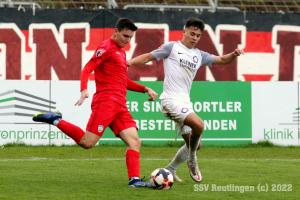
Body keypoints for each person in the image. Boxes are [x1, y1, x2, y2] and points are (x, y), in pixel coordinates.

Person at [32, 18, 158, 188]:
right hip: (106, 102)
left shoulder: (121, 52)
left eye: (130, 37)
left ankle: (134, 180)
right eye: (125, 36)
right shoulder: (106, 47)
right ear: (116, 31)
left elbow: (123, 80)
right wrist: (83, 90)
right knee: (87, 143)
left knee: (135, 141)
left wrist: (145, 89)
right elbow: (87, 69)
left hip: (120, 105)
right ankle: (55, 119)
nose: (127, 40)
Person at [127, 17, 244, 183]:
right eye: (192, 33)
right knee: (199, 125)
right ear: (184, 32)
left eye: (197, 35)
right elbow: (148, 57)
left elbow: (223, 60)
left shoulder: (199, 55)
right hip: (170, 100)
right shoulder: (172, 47)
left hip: (184, 102)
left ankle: (170, 169)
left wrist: (233, 54)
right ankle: (192, 160)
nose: (194, 37)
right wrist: (128, 62)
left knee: (196, 144)